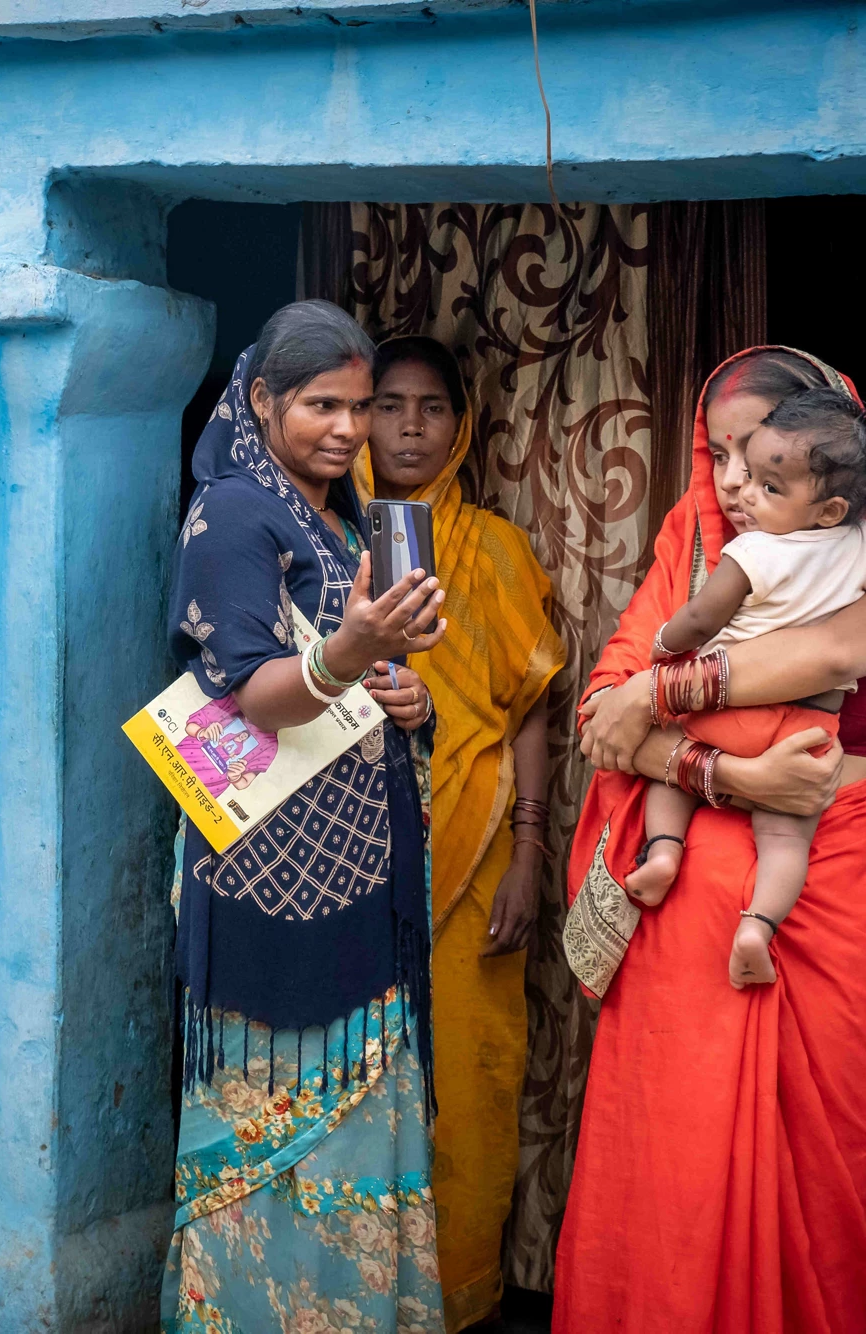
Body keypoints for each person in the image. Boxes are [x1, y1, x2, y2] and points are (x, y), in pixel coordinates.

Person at [553, 347, 866, 1334]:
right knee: (675, 1155)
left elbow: (823, 653)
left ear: (830, 467)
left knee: (826, 1146)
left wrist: (661, 690)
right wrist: (724, 775)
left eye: (759, 455)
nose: (733, 479)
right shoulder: (688, 553)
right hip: (693, 892)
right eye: (718, 454)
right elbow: (599, 713)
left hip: (830, 868)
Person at [162, 301, 452, 1333]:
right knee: (269, 1133)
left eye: (358, 406)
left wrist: (402, 693)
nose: (344, 427)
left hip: (359, 868)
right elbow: (250, 692)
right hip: (268, 879)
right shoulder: (234, 512)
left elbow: (357, 673)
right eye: (319, 404)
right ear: (260, 399)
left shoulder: (338, 519)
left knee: (363, 1129)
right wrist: (348, 650)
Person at [631, 389, 866, 989]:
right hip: (806, 734)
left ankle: (663, 850)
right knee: (784, 838)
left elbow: (700, 621)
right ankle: (759, 925)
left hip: (724, 716)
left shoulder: (748, 550)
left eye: (767, 482)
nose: (740, 488)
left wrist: (664, 653)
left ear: (829, 509)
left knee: (665, 778)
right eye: (726, 461)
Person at [354, 336, 564, 1332]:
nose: (406, 425)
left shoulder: (490, 545)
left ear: (460, 424)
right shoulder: (318, 537)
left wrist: (528, 846)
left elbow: (528, 704)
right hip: (340, 863)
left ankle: (456, 1299)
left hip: (472, 856)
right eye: (385, 403)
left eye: (429, 406)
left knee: (469, 1086)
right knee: (349, 1082)